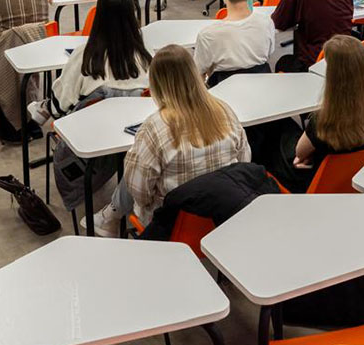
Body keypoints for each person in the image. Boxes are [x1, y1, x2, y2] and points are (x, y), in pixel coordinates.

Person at [87, 44, 250, 236]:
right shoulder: (225, 111)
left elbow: (139, 191)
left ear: (156, 84)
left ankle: (110, 216)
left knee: (136, 169)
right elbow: (244, 162)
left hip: (172, 227)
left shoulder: (154, 128)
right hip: (223, 219)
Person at [253, 35, 364, 194]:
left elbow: (299, 153)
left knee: (274, 126)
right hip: (359, 175)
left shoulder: (327, 119)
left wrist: (308, 155)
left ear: (333, 75)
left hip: (314, 181)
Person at [29, 0, 152, 122]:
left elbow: (60, 106)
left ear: (99, 17)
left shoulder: (84, 56)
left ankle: (43, 108)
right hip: (135, 126)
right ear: (132, 16)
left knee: (64, 98)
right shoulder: (147, 55)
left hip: (89, 129)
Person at [194, 0, 276, 85]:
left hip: (223, 93)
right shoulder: (266, 23)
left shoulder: (208, 35)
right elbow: (269, 54)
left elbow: (198, 75)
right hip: (261, 89)